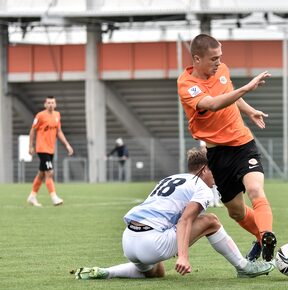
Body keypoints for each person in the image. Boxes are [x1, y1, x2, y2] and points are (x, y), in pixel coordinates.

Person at [72, 148, 275, 280]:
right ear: (204, 170)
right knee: (211, 221)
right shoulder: (201, 188)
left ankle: (107, 272)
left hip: (129, 239)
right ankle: (243, 267)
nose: (217, 176)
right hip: (151, 242)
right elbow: (186, 220)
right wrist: (184, 257)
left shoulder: (173, 178)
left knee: (157, 271)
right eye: (214, 171)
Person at [177, 34, 276, 262]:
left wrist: (249, 110)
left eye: (220, 57)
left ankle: (267, 234)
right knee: (236, 212)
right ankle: (261, 238)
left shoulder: (222, 71)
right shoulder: (187, 85)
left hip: (243, 144)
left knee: (255, 190)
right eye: (213, 59)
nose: (218, 63)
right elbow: (212, 104)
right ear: (197, 59)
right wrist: (247, 88)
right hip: (218, 155)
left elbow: (228, 94)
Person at [26, 96, 74, 207]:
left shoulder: (57, 115)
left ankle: (32, 196)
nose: (51, 104)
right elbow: (33, 130)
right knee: (49, 172)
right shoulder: (40, 116)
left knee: (41, 174)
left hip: (51, 149)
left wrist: (67, 145)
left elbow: (59, 132)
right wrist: (30, 146)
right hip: (42, 148)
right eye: (49, 103)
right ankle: (54, 198)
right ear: (45, 104)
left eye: (52, 102)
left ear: (55, 104)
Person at [199, 140, 222, 207]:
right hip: (207, 161)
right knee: (209, 182)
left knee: (216, 183)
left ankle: (216, 201)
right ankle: (210, 201)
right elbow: (203, 150)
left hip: (215, 160)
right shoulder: (203, 138)